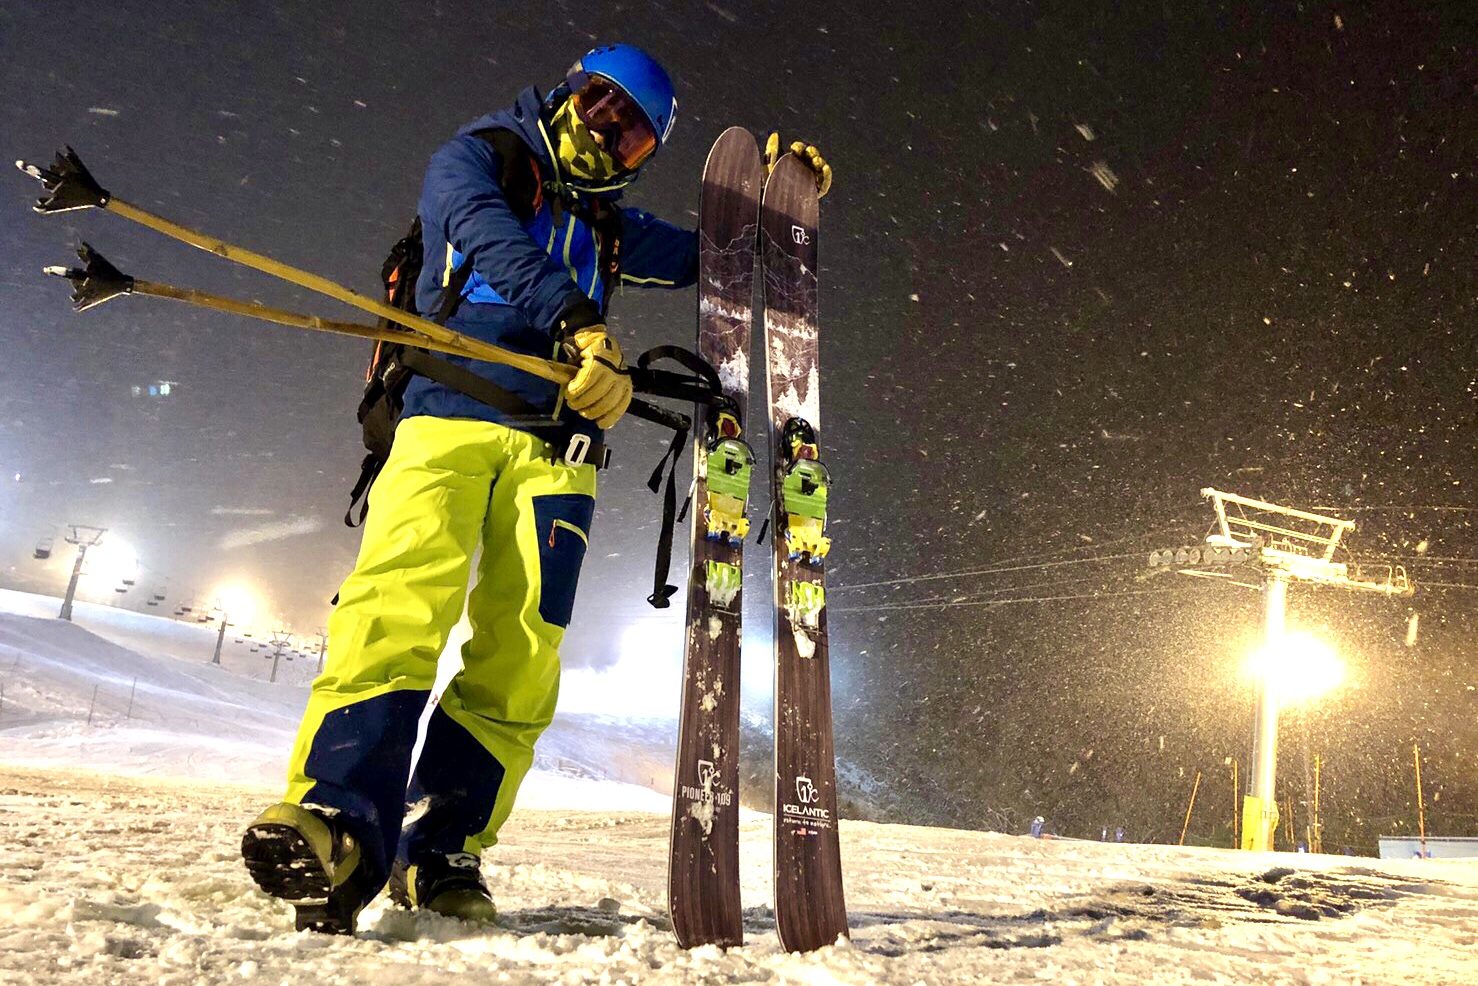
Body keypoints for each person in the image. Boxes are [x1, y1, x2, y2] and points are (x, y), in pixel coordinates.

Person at [239, 44, 831, 934]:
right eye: (602, 104)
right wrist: (579, 323)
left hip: (559, 449)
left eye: (632, 134)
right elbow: (487, 234)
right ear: (569, 90)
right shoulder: (479, 158)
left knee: (519, 657)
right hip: (445, 419)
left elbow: (713, 259)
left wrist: (775, 210)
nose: (607, 133)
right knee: (395, 614)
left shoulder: (610, 228)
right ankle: (340, 826)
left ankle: (442, 851)